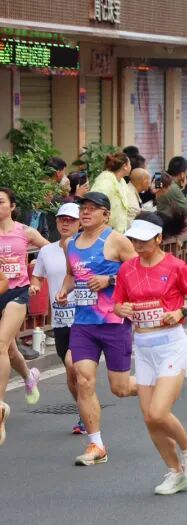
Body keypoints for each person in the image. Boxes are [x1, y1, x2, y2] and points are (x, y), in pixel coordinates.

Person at [113, 214, 187, 494]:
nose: (138, 245)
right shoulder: (127, 269)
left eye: (144, 240)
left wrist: (181, 311)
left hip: (171, 345)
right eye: (134, 239)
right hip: (143, 347)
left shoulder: (175, 266)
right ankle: (175, 472)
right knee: (149, 417)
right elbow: (118, 303)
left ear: (158, 238)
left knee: (158, 412)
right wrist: (122, 309)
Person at [55, 191, 139, 464]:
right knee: (83, 379)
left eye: (93, 208)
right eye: (83, 208)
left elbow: (138, 271)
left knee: (120, 388)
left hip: (113, 322)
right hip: (83, 323)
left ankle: (155, 384)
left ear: (106, 214)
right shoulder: (71, 244)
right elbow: (72, 275)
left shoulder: (116, 240)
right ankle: (96, 445)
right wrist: (64, 290)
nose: (86, 212)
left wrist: (109, 280)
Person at [0, 188, 51, 445]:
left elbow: (50, 250)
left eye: (1, 202)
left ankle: (0, 406)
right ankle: (29, 377)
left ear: (12, 206)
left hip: (18, 293)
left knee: (0, 344)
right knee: (9, 350)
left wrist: (37, 270)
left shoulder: (25, 232)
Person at [30, 202, 82, 434]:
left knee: (74, 365)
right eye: (62, 219)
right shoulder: (47, 251)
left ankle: (86, 412)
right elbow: (37, 276)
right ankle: (84, 409)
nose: (65, 223)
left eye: (70, 220)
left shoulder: (86, 250)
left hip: (84, 319)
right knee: (70, 372)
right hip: (60, 320)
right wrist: (34, 285)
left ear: (80, 223)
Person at [90, 151, 138, 234]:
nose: (131, 166)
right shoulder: (104, 182)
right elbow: (95, 205)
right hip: (103, 231)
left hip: (118, 231)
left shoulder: (122, 181)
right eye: (130, 164)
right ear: (125, 166)